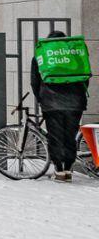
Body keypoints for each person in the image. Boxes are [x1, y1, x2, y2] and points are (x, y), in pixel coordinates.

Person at [30, 30, 90, 182]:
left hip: (51, 103)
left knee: (56, 137)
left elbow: (34, 81)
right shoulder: (75, 55)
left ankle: (59, 170)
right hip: (75, 103)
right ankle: (69, 168)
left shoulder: (42, 55)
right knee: (70, 136)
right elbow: (85, 77)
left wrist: (40, 98)